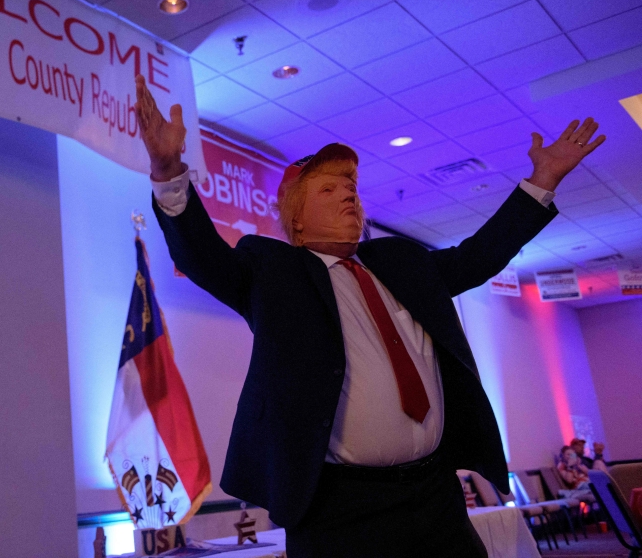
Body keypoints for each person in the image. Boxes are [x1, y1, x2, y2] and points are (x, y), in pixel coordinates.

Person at [134, 74, 606, 558]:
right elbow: (202, 257)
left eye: (352, 187)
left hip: (436, 495)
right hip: (339, 510)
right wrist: (169, 172)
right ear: (295, 220)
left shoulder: (403, 262)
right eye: (329, 189)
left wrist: (542, 181)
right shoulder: (274, 273)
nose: (349, 195)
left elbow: (477, 257)